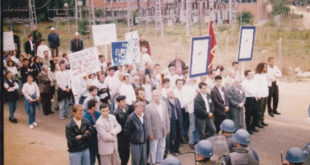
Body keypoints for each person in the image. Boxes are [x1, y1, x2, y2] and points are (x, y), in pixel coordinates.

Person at [145, 90, 170, 164]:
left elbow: (167, 117)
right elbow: (148, 122)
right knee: (153, 149)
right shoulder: (148, 107)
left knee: (162, 148)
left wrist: (168, 128)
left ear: (160, 96)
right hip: (154, 132)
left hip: (163, 130)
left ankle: (160, 162)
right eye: (153, 95)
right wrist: (150, 134)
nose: (155, 97)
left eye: (157, 95)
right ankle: (153, 163)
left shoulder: (164, 104)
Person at [166, 88, 185, 155]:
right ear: (167, 94)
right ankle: (172, 150)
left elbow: (179, 109)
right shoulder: (165, 101)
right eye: (170, 93)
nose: (172, 94)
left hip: (178, 120)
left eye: (172, 92)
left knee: (178, 135)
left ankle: (176, 149)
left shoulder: (176, 99)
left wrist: (181, 119)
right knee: (171, 136)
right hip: (171, 121)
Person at [114, 95, 131, 165]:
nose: (125, 102)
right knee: (122, 154)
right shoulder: (116, 113)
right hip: (121, 136)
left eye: (125, 101)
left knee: (127, 153)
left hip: (128, 135)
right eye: (123, 101)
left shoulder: (128, 108)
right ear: (118, 102)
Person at [241, 70, 259, 134]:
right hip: (248, 99)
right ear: (246, 75)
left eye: (251, 74)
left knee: (256, 114)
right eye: (249, 75)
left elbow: (256, 88)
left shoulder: (252, 81)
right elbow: (248, 91)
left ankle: (253, 127)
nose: (251, 76)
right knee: (248, 114)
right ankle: (248, 128)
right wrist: (255, 94)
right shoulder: (244, 83)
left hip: (254, 98)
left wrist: (257, 95)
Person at [83, 99, 101, 165]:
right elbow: (87, 130)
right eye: (96, 106)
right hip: (91, 141)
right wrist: (95, 127)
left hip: (98, 140)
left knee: (100, 158)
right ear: (92, 107)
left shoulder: (97, 113)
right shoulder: (85, 116)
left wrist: (95, 126)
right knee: (91, 158)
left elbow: (101, 123)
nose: (97, 107)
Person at [184, 78, 199, 149]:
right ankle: (191, 141)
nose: (191, 82)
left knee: (197, 126)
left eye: (193, 80)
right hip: (191, 109)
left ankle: (197, 140)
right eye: (190, 81)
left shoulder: (196, 87)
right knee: (192, 126)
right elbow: (186, 101)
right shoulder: (186, 89)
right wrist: (194, 96)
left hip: (197, 109)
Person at [253, 62, 269, 128]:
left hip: (265, 94)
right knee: (259, 109)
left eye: (266, 67)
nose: (265, 68)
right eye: (264, 67)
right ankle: (258, 122)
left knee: (264, 109)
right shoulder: (257, 76)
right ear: (261, 67)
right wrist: (258, 95)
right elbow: (256, 86)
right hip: (260, 95)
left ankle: (262, 120)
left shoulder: (265, 75)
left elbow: (265, 85)